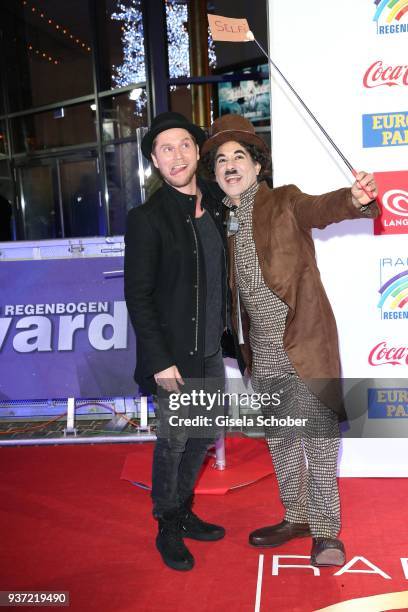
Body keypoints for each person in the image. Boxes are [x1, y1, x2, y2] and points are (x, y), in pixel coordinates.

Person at [201, 114, 379, 567]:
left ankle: (325, 532)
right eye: (221, 160)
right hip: (263, 353)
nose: (230, 165)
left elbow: (323, 207)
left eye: (240, 156)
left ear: (258, 166)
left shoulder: (284, 201)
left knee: (318, 440)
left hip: (306, 341)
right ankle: (296, 517)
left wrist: (355, 200)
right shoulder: (223, 223)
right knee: (281, 439)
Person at [124, 112, 227, 571]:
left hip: (211, 349)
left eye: (184, 144)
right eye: (166, 148)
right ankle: (167, 521)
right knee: (174, 441)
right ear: (154, 160)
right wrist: (160, 360)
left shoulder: (218, 207)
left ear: (196, 150)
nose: (177, 155)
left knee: (204, 435)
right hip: (175, 358)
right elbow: (137, 295)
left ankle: (183, 510)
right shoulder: (147, 218)